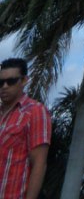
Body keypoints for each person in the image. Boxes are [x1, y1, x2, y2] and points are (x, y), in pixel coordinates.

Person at [0, 59, 51, 199]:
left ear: (24, 81)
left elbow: (39, 164)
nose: (4, 86)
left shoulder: (35, 112)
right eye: (1, 82)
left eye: (11, 81)